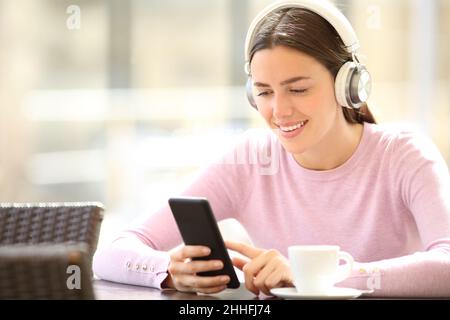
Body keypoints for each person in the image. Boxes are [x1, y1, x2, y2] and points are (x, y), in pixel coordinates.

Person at [93, 0, 450, 297]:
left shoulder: (403, 155)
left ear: (348, 86)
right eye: (264, 92)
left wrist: (313, 277)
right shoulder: (250, 160)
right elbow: (111, 252)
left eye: (297, 89)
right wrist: (167, 270)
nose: (279, 111)